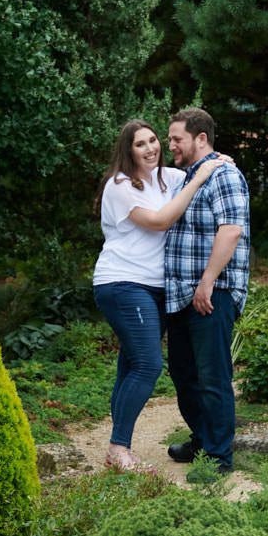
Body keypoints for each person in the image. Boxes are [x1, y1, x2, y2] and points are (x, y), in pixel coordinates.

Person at [93, 119, 225, 471]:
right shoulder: (119, 185)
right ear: (128, 150)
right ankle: (119, 448)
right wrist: (198, 177)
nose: (151, 147)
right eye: (141, 144)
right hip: (122, 283)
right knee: (149, 364)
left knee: (131, 364)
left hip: (155, 287)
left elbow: (201, 166)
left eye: (154, 140)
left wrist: (219, 161)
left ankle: (117, 450)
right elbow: (159, 221)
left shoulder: (167, 177)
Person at [164, 107, 249, 476]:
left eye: (176, 139)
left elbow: (230, 230)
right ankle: (202, 439)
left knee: (213, 376)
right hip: (182, 294)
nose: (170, 146)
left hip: (213, 293)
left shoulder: (225, 176)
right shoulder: (188, 177)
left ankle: (218, 457)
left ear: (201, 138)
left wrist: (208, 281)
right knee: (184, 373)